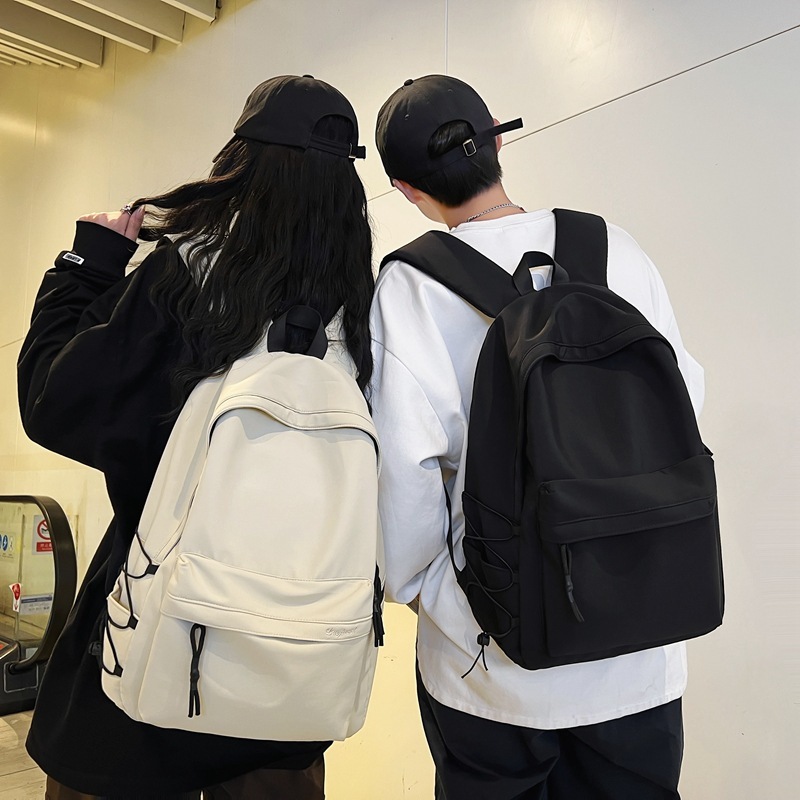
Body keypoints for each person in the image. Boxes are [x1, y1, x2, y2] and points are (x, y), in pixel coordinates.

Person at [18, 74, 374, 800]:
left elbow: (54, 404)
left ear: (239, 164)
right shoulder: (367, 310)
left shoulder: (188, 278)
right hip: (296, 652)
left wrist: (85, 268)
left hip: (154, 620)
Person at [370, 74, 705, 799]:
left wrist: (431, 596)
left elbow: (404, 471)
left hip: (492, 660)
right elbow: (685, 399)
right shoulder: (613, 247)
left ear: (406, 189)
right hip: (640, 639)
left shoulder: (411, 286)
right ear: (497, 140)